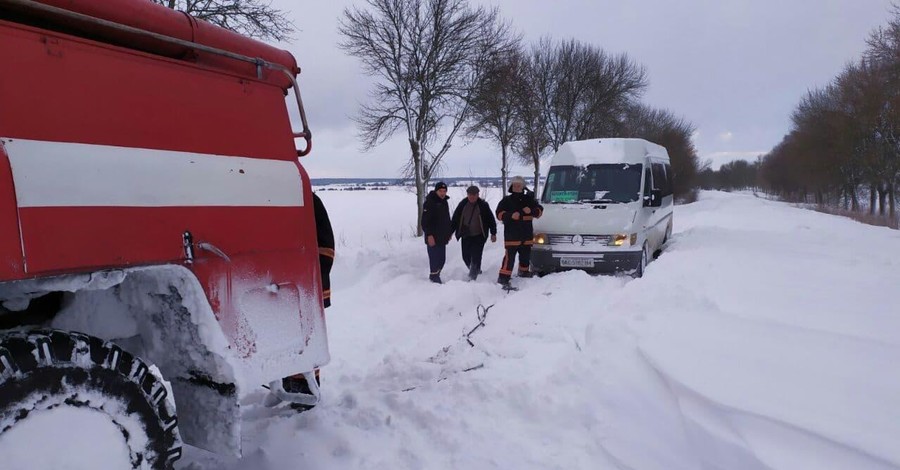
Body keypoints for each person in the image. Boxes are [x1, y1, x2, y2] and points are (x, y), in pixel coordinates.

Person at [279, 192, 334, 408]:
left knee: (306, 339)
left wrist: (311, 278)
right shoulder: (269, 198)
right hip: (279, 286)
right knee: (284, 338)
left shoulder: (309, 200)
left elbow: (326, 247)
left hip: (307, 284)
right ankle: (288, 385)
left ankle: (307, 395)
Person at [495, 176, 543, 286]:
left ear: (523, 187)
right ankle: (503, 277)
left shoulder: (529, 199)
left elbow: (540, 211)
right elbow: (499, 214)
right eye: (515, 185)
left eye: (519, 185)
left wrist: (531, 210)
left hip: (526, 235)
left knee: (525, 255)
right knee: (509, 258)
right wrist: (511, 215)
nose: (517, 187)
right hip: (512, 235)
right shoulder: (506, 200)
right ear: (512, 186)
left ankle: (524, 271)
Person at [450, 185, 497, 280]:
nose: (472, 197)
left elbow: (491, 219)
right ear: (467, 195)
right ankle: (476, 270)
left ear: (478, 195)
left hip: (479, 235)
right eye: (470, 195)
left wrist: (493, 233)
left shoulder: (483, 205)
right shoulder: (463, 204)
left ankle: (473, 277)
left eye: (474, 195)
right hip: (466, 234)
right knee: (465, 256)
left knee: (476, 255)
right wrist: (450, 232)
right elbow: (455, 219)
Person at [421, 181, 452, 283]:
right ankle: (434, 278)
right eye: (440, 191)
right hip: (432, 237)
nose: (442, 193)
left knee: (442, 260)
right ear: (436, 191)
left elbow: (447, 219)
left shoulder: (444, 202)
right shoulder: (430, 202)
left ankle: (436, 275)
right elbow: (425, 222)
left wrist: (449, 233)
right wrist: (429, 235)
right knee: (434, 260)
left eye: (444, 191)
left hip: (442, 237)